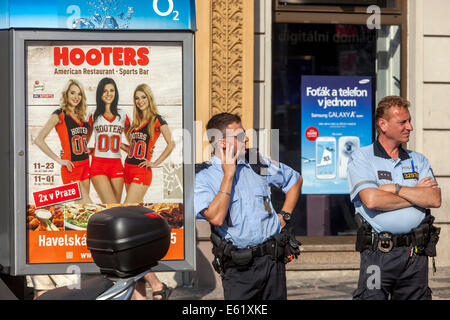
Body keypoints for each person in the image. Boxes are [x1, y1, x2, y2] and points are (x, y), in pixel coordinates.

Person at [194, 112, 302, 300]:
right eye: (240, 136)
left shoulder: (256, 162)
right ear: (222, 143)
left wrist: (285, 215)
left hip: (272, 261)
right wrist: (228, 175)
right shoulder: (202, 176)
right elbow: (216, 217)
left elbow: (294, 180)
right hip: (239, 269)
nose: (247, 139)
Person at [347, 95, 441, 300]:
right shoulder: (362, 157)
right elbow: (372, 200)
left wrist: (396, 189)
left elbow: (434, 199)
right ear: (383, 124)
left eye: (409, 121)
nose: (410, 127)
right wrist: (416, 194)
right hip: (378, 254)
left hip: (415, 254)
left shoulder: (418, 160)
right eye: (403, 122)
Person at [123, 84, 175, 300]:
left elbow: (170, 144)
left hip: (142, 172)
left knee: (126, 219)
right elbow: (134, 148)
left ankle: (157, 283)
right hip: (128, 168)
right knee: (132, 232)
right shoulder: (135, 122)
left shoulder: (157, 119)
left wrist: (154, 163)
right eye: (137, 98)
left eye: (143, 97)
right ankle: (140, 295)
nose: (140, 101)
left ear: (149, 98)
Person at [34, 79, 92, 203]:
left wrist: (87, 149)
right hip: (71, 167)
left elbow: (81, 141)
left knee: (81, 209)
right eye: (72, 93)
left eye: (79, 94)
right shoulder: (59, 114)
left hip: (86, 165)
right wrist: (59, 160)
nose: (76, 97)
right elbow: (38, 140)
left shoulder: (81, 115)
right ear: (66, 94)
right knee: (88, 206)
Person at [88, 77, 130, 204]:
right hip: (98, 165)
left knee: (115, 209)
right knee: (112, 205)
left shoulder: (123, 114)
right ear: (100, 93)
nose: (108, 94)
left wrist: (147, 148)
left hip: (117, 164)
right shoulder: (93, 114)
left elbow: (133, 142)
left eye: (112, 90)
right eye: (105, 91)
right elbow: (82, 143)